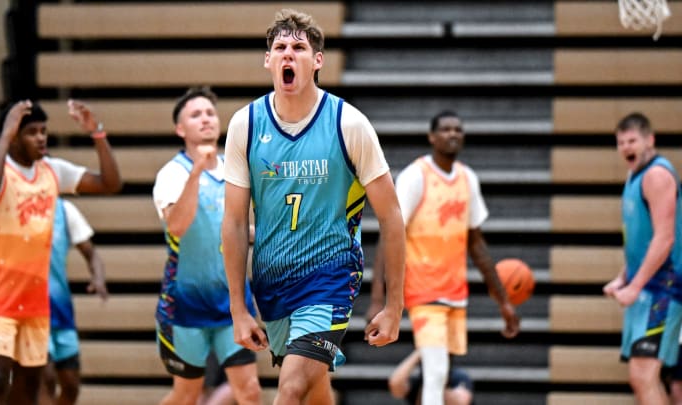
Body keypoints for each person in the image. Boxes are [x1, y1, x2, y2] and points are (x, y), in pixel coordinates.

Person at [221, 8, 406, 405]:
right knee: (315, 390)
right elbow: (235, 222)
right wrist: (238, 308)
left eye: (299, 48)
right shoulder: (246, 124)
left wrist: (394, 306)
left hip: (330, 279)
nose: (288, 54)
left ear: (317, 61)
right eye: (280, 47)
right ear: (268, 60)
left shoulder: (348, 123)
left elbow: (391, 217)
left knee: (290, 390)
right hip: (271, 283)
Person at [0, 99, 121, 405]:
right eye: (31, 132)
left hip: (35, 298)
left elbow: (110, 183)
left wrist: (97, 133)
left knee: (31, 387)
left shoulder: (53, 171)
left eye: (44, 131)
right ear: (14, 136)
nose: (41, 137)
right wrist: (4, 133)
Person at [367, 110, 519, 405]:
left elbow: (477, 245)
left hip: (455, 292)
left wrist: (504, 301)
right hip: (422, 289)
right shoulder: (415, 176)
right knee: (435, 373)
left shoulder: (468, 179)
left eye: (458, 130)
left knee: (441, 371)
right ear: (432, 137)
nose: (453, 134)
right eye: (446, 129)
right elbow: (390, 234)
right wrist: (377, 298)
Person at [152, 87, 261, 405]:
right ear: (180, 129)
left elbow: (234, 229)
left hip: (232, 305)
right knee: (186, 395)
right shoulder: (172, 174)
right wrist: (197, 170)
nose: (205, 119)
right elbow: (177, 226)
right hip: (184, 306)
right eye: (195, 115)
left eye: (210, 113)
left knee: (250, 391)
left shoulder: (235, 169)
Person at [603, 112, 682, 405]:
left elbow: (665, 238)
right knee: (642, 378)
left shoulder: (657, 175)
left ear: (650, 140)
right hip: (648, 287)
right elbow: (641, 241)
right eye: (621, 142)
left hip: (664, 289)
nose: (626, 147)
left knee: (644, 375)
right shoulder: (634, 176)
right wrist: (624, 277)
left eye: (632, 140)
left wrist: (634, 286)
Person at [38, 198, 108, 405]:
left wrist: (98, 277)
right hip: (33, 313)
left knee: (71, 386)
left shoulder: (64, 209)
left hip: (61, 312)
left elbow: (91, 253)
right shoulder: (18, 208)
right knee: (46, 380)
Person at [388, 349, 473, 405]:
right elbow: (395, 383)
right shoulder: (419, 382)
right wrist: (421, 350)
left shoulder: (458, 376)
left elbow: (462, 401)